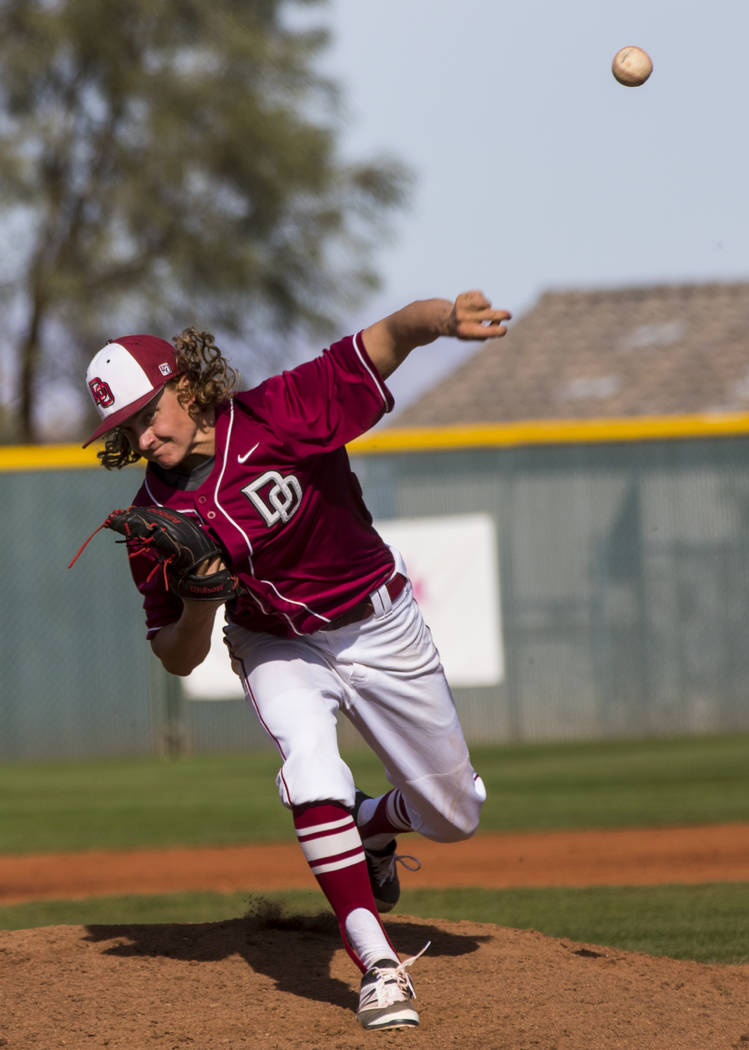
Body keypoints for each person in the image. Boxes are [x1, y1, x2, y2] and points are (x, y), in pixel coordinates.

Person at [80, 289, 511, 1031]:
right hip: (272, 643)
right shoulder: (155, 523)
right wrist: (201, 601)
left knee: (455, 813)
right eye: (126, 428)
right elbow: (178, 659)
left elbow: (380, 339)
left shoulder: (282, 412)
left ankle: (371, 824)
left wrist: (439, 321)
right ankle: (376, 965)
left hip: (378, 624)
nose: (143, 438)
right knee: (309, 766)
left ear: (185, 385)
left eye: (148, 414)